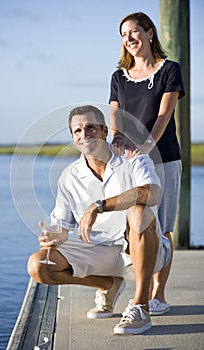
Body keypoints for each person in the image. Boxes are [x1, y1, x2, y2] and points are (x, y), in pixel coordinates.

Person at [27, 104, 170, 335]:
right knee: (39, 265)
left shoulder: (132, 157)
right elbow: (62, 225)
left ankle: (140, 307)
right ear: (73, 137)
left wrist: (99, 206)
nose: (84, 135)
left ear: (105, 131)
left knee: (139, 213)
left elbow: (152, 193)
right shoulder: (69, 177)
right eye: (78, 131)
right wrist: (52, 235)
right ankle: (107, 285)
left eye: (91, 128)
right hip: (100, 253)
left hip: (142, 252)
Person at [109, 12, 185, 316]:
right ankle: (137, 288)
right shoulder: (118, 77)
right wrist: (116, 137)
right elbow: (115, 114)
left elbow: (165, 114)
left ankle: (157, 296)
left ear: (150, 33)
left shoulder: (169, 70)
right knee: (134, 227)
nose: (129, 38)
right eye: (124, 34)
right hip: (129, 163)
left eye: (135, 31)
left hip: (164, 158)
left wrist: (146, 145)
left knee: (163, 227)